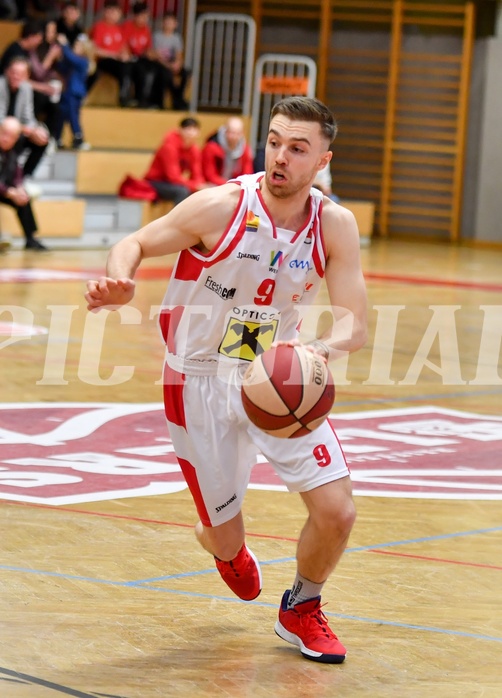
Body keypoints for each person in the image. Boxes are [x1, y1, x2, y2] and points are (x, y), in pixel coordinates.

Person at [85, 97, 367, 664]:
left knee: (338, 510)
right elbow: (135, 242)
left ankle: (303, 608)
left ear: (323, 160)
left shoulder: (333, 224)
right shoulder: (221, 206)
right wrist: (120, 280)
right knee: (232, 555)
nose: (280, 156)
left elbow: (354, 324)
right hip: (197, 380)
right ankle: (218, 538)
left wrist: (317, 351)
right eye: (274, 141)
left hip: (277, 375)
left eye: (297, 148)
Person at [0, 116, 47, 250]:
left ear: (16, 139)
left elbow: (17, 173)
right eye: (4, 133)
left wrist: (19, 188)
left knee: (23, 199)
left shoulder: (12, 153)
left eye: (10, 136)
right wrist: (9, 192)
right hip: (4, 190)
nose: (5, 138)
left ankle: (31, 238)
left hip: (4, 190)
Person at [0, 57, 49, 179]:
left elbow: (28, 117)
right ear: (7, 72)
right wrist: (22, 129)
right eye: (13, 72)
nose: (16, 76)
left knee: (41, 140)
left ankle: (22, 179)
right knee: (13, 136)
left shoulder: (26, 88)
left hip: (18, 131)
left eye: (21, 74)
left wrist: (36, 130)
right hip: (3, 131)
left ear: (27, 76)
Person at [144, 117, 206, 205]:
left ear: (198, 133)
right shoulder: (169, 147)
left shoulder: (194, 150)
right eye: (188, 129)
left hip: (170, 183)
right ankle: (178, 218)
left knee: (203, 191)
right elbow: (173, 177)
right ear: (180, 130)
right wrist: (195, 186)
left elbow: (197, 173)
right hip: (155, 182)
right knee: (182, 191)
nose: (191, 133)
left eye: (194, 129)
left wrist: (200, 185)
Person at [88, 0, 133, 108]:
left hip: (117, 61)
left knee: (132, 66)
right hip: (103, 60)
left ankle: (131, 98)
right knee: (122, 67)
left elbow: (124, 48)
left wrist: (125, 55)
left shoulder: (119, 29)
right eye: (111, 11)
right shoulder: (99, 27)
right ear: (105, 12)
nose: (114, 14)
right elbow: (95, 50)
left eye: (117, 12)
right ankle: (123, 98)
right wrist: (114, 55)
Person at [54, 33, 91, 150]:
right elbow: (62, 68)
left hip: (74, 93)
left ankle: (78, 137)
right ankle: (57, 138)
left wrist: (65, 45)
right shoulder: (72, 62)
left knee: (73, 115)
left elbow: (71, 57)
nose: (75, 48)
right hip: (66, 92)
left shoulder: (83, 61)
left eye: (79, 46)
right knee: (61, 115)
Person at [122, 1, 157, 108]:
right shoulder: (127, 27)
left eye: (147, 16)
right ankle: (134, 99)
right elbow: (123, 45)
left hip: (141, 58)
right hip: (130, 58)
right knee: (139, 70)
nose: (145, 19)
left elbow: (148, 48)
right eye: (143, 16)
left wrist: (151, 54)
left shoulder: (146, 29)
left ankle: (151, 101)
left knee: (155, 69)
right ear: (135, 15)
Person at [151, 12, 189, 110]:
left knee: (185, 73)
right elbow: (156, 55)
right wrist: (168, 65)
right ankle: (167, 101)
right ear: (162, 23)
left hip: (171, 62)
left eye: (171, 22)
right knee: (166, 74)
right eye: (166, 22)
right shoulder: (156, 36)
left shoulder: (176, 38)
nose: (169, 24)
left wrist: (177, 64)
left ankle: (179, 97)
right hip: (160, 63)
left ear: (175, 24)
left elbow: (179, 54)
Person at [202, 116, 254, 186]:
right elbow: (209, 175)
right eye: (232, 133)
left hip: (234, 185)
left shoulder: (245, 149)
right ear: (225, 131)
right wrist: (229, 185)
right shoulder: (211, 147)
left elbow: (247, 174)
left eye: (238, 133)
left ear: (242, 133)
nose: (235, 137)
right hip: (213, 184)